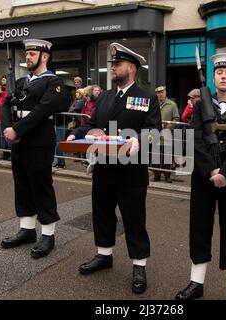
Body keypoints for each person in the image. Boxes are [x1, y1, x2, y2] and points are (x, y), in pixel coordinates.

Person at [67, 42, 162, 294]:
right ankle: (104, 254)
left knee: (134, 219)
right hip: (105, 167)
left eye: (117, 64)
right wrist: (77, 134)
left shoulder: (147, 97)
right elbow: (94, 124)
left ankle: (139, 265)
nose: (112, 68)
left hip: (132, 170)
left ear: (130, 68)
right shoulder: (106, 97)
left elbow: (154, 132)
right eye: (112, 64)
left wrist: (138, 140)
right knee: (102, 214)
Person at [175, 53, 226, 300]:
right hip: (203, 176)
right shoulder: (200, 106)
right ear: (213, 76)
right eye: (219, 72)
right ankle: (196, 283)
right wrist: (211, 170)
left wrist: (225, 173)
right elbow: (196, 140)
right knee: (199, 228)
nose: (223, 76)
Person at [0, 39, 69, 259]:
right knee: (22, 184)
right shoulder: (21, 82)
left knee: (41, 186)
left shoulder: (54, 83)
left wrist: (17, 130)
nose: (27, 57)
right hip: (19, 142)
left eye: (32, 53)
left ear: (45, 56)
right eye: (26, 53)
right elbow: (5, 104)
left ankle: (48, 235)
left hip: (39, 142)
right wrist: (7, 129)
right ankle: (27, 229)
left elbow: (43, 109)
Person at [153, 86, 180, 183]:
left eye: (162, 92)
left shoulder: (172, 105)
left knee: (167, 155)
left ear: (165, 92)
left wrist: (168, 128)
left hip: (167, 133)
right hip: (155, 133)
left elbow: (176, 119)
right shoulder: (153, 104)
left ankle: (167, 175)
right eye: (158, 93)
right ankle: (156, 175)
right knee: (156, 155)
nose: (160, 94)